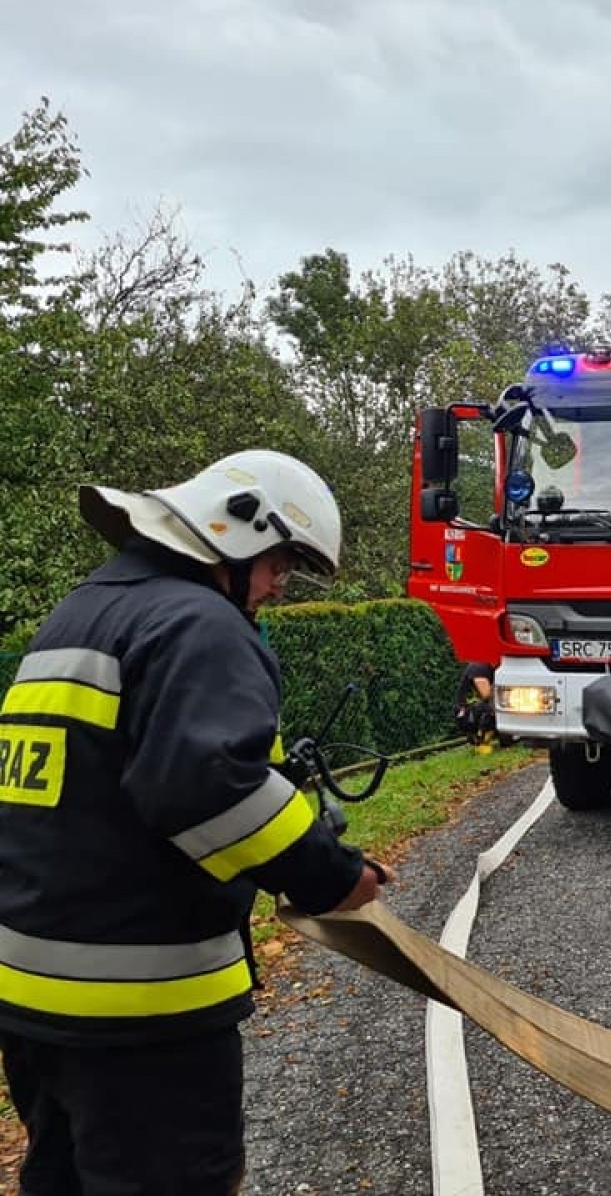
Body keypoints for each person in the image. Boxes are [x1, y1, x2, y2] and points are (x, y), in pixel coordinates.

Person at [0, 450, 393, 1195]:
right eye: (281, 561)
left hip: (32, 1000)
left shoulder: (78, 614)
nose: (280, 584)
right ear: (235, 531)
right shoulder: (199, 624)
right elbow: (210, 789)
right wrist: (332, 878)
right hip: (143, 1012)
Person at [455, 660, 496, 753]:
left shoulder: (489, 666)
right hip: (466, 714)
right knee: (492, 708)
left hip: (474, 708)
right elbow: (487, 695)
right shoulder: (479, 667)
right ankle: (481, 741)